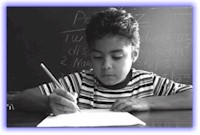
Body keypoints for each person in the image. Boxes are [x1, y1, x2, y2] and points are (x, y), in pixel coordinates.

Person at [13, 8, 192, 115]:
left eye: (117, 56)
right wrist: (48, 103)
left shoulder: (148, 82)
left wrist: (147, 102)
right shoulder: (79, 82)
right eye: (97, 57)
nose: (106, 65)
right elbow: (21, 99)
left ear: (134, 54)